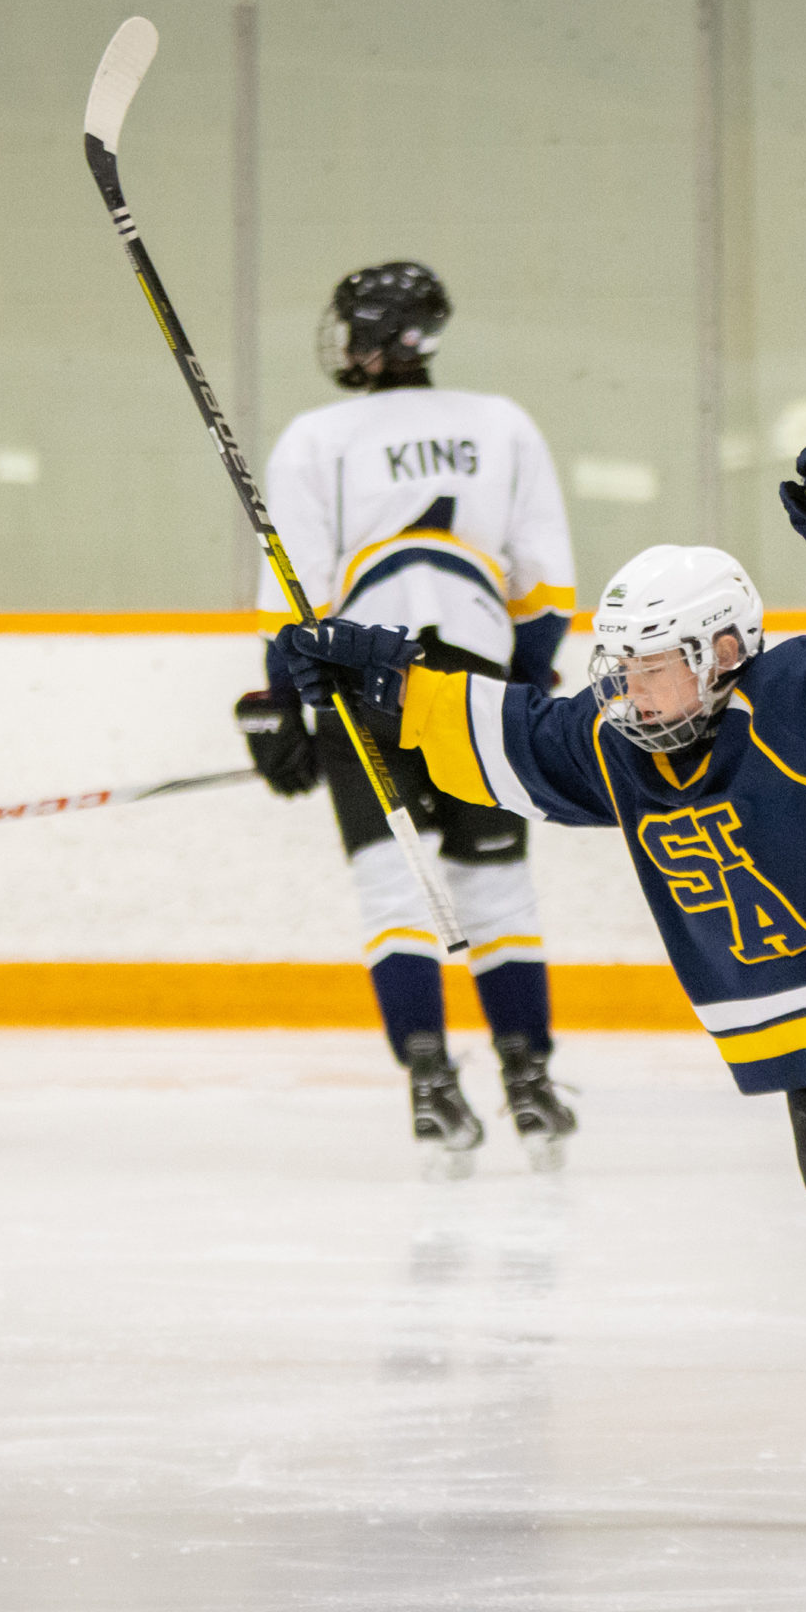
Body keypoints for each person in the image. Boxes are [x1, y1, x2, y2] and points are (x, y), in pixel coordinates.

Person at [278, 446, 806, 1508]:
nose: (630, 689)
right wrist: (383, 678)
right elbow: (499, 732)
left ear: (724, 651)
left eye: (653, 666)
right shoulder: (612, 744)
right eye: (620, 667)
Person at [236, 260, 578, 1177]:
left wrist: (285, 702)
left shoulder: (317, 436)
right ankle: (529, 1080)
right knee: (496, 885)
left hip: (361, 685)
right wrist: (525, 686)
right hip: (475, 682)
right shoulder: (501, 423)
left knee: (396, 889)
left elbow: (293, 591)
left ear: (376, 339)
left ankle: (430, 1085)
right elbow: (544, 583)